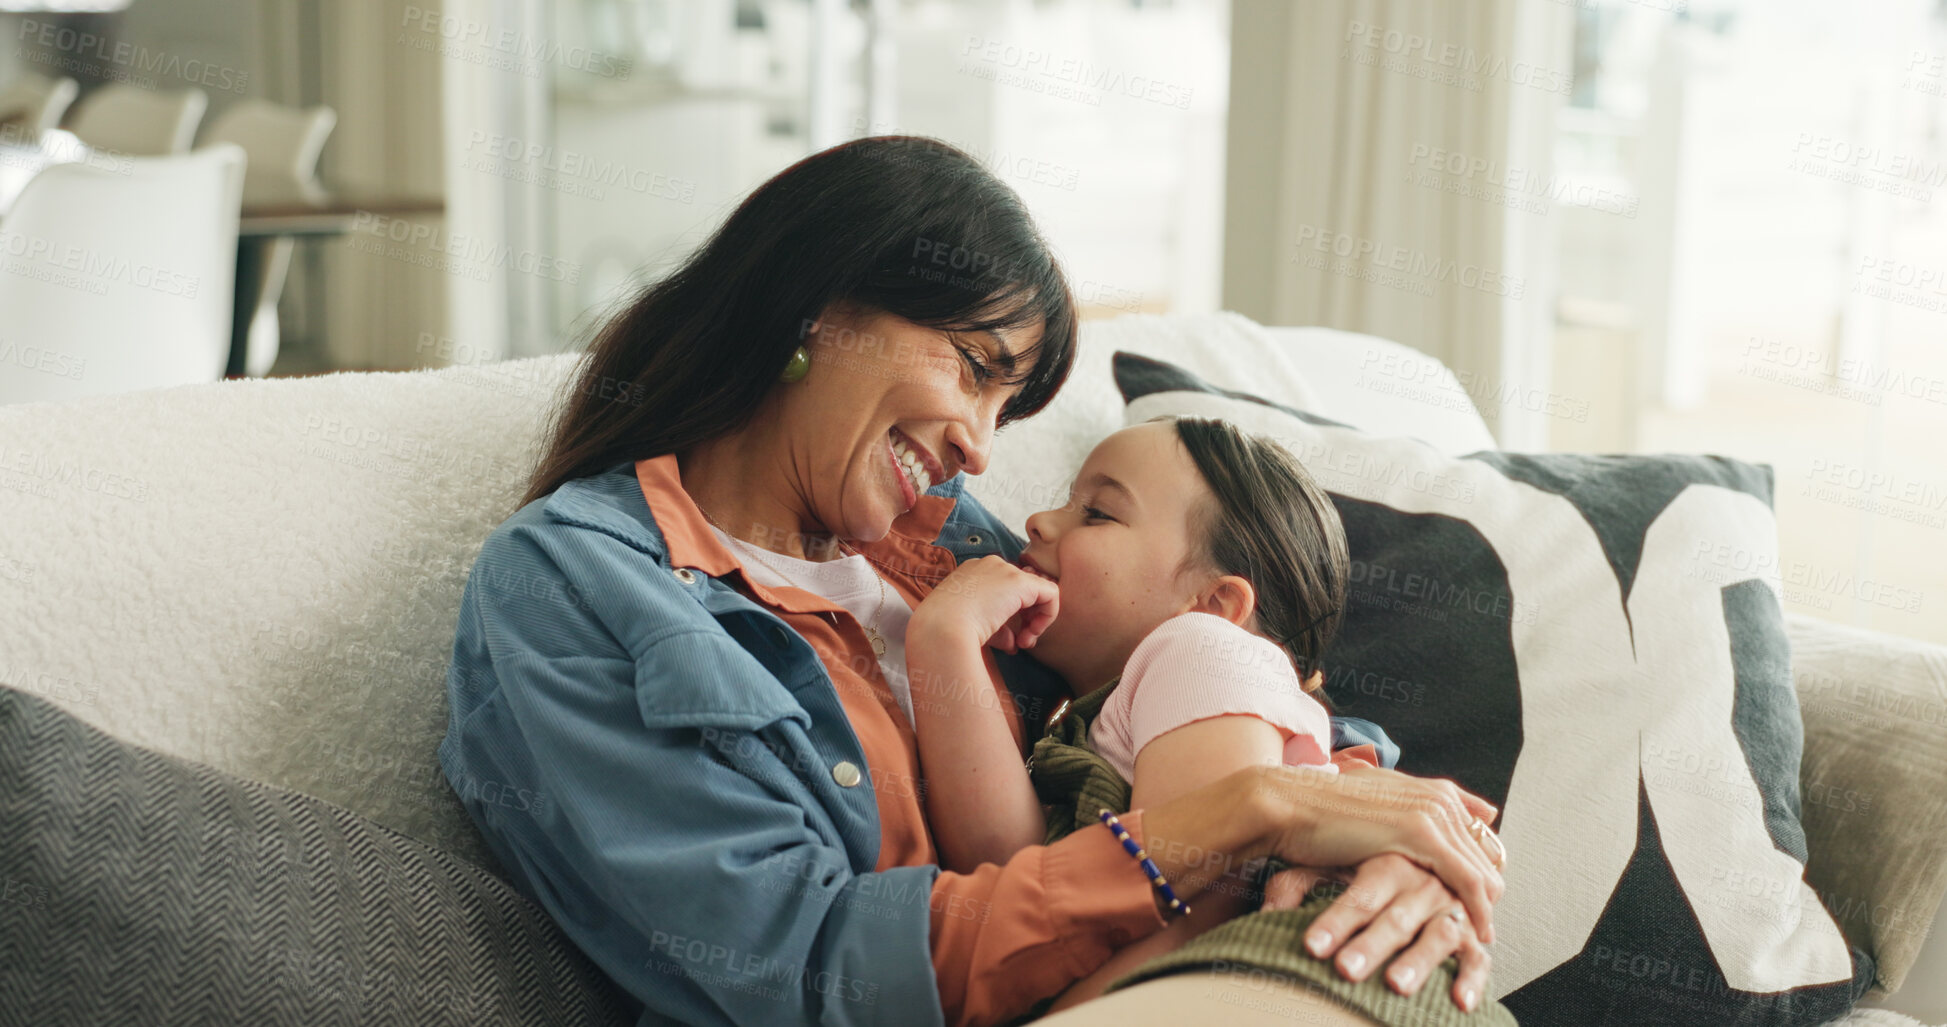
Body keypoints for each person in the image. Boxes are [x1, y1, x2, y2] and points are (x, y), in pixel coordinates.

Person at [437, 134, 1504, 1027]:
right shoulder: (574, 587)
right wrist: (1251, 811)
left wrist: (1390, 850)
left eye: (1007, 407)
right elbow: (803, 970)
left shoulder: (950, 543)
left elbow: (1228, 679)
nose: (981, 450)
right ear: (816, 305)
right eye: (975, 369)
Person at [906, 415, 1512, 1020]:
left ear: (1216, 603)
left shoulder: (1201, 649)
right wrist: (947, 639)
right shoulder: (1106, 714)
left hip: (1317, 972)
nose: (1038, 521)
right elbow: (1007, 868)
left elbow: (1199, 907)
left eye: (1098, 513)